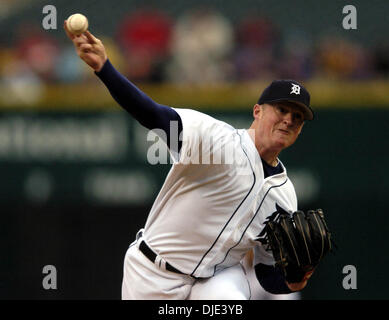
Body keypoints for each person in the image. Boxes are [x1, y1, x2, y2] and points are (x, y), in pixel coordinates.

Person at [64, 21, 315, 300]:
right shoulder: (216, 140)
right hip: (152, 273)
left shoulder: (285, 196)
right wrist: (105, 69)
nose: (288, 120)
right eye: (282, 109)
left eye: (298, 117)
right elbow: (153, 115)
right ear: (257, 111)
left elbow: (266, 275)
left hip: (215, 280)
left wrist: (294, 281)